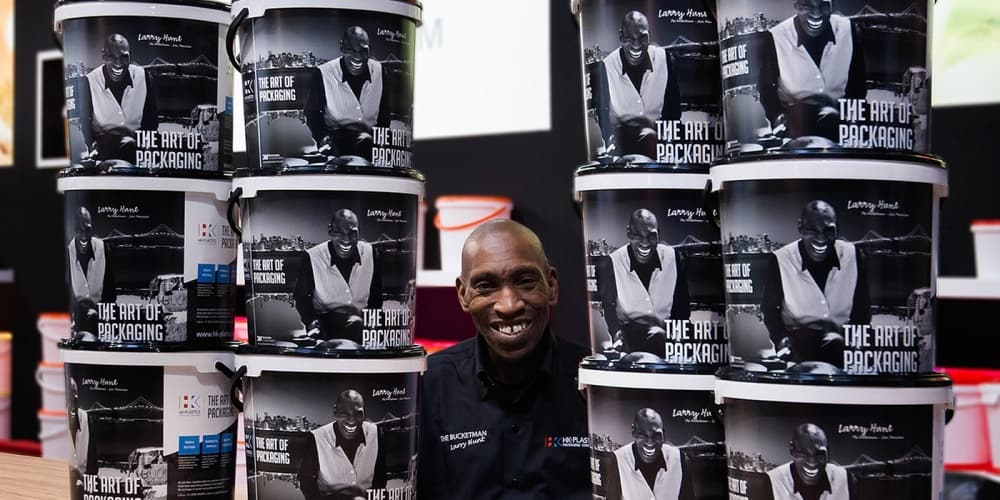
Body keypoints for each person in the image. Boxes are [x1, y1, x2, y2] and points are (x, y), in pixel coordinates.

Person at [417, 219, 591, 499]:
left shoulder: (598, 385)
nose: (509, 305)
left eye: (525, 281)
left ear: (552, 285)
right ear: (463, 295)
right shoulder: (428, 387)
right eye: (486, 286)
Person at [761, 200, 870, 369]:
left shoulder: (854, 255)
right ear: (800, 228)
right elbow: (769, 309)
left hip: (843, 348)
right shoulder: (780, 259)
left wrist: (849, 342)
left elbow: (862, 310)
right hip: (798, 349)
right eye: (812, 230)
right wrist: (781, 338)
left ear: (837, 229)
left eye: (828, 231)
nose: (821, 238)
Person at [757, 0, 866, 141]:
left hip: (839, 122)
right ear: (796, 7)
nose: (816, 14)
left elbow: (858, 85)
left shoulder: (850, 30)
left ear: (831, 7)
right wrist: (778, 121)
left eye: (823, 6)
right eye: (807, 6)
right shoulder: (776, 36)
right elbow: (766, 89)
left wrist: (849, 119)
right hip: (794, 123)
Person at [596, 208, 690, 359]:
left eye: (651, 236)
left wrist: (672, 337)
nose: (645, 242)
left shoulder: (675, 258)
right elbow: (609, 307)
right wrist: (617, 334)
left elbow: (683, 308)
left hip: (667, 341)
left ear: (659, 233)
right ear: (628, 233)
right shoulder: (613, 262)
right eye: (637, 236)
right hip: (630, 340)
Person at [596, 10, 681, 158]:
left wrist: (659, 137)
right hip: (622, 147)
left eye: (642, 37)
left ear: (649, 36)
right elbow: (603, 120)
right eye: (629, 38)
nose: (636, 45)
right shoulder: (606, 67)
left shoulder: (666, 60)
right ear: (621, 36)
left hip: (659, 143)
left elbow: (673, 112)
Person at [293, 208, 382, 344]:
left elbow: (376, 296)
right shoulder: (312, 256)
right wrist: (312, 323)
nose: (346, 240)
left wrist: (368, 322)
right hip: (326, 325)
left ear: (359, 232)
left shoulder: (371, 253)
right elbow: (301, 297)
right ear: (330, 231)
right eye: (339, 233)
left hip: (361, 325)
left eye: (352, 233)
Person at [305, 26, 386, 161]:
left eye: (363, 51)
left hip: (371, 143)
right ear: (342, 48)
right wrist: (322, 138)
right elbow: (311, 113)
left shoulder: (380, 70)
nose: (358, 57)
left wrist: (380, 141)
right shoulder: (323, 73)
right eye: (351, 50)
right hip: (335, 141)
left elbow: (385, 115)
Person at [77, 33, 158, 165]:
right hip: (103, 155)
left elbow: (152, 121)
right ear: (103, 55)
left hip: (137, 152)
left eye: (124, 57)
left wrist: (139, 144)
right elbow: (85, 127)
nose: (118, 63)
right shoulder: (89, 81)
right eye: (111, 57)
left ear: (130, 55)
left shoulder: (144, 77)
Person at [298, 390, 387, 500]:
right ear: (335, 412)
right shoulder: (316, 438)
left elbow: (381, 477)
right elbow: (305, 481)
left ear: (364, 413)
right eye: (344, 414)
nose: (351, 420)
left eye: (358, 414)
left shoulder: (375, 432)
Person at [613, 408, 693, 500]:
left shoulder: (681, 460)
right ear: (633, 432)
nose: (650, 442)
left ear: (663, 434)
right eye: (642, 434)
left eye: (656, 435)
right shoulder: (618, 460)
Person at [67, 206, 116, 337]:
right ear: (74, 230)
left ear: (92, 227)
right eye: (79, 230)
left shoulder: (103, 247)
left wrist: (101, 313)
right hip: (77, 320)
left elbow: (110, 289)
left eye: (87, 229)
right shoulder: (67, 252)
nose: (83, 235)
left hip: (101, 317)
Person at [767, 423, 849, 500]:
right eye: (803, 453)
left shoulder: (846, 479)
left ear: (828, 453)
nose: (812, 462)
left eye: (819, 454)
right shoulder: (771, 482)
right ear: (792, 450)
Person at [68, 378, 96, 500]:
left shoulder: (86, 418)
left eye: (75, 395)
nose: (73, 399)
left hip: (85, 486)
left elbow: (92, 456)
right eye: (70, 395)